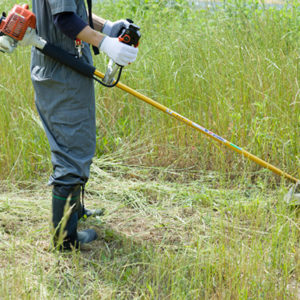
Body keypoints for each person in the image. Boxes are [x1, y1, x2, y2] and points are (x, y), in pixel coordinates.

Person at [30, 0, 138, 250]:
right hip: (62, 73)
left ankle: (75, 211)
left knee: (78, 142)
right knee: (71, 152)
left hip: (68, 69)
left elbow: (72, 10)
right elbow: (64, 19)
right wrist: (104, 42)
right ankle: (65, 239)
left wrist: (107, 27)